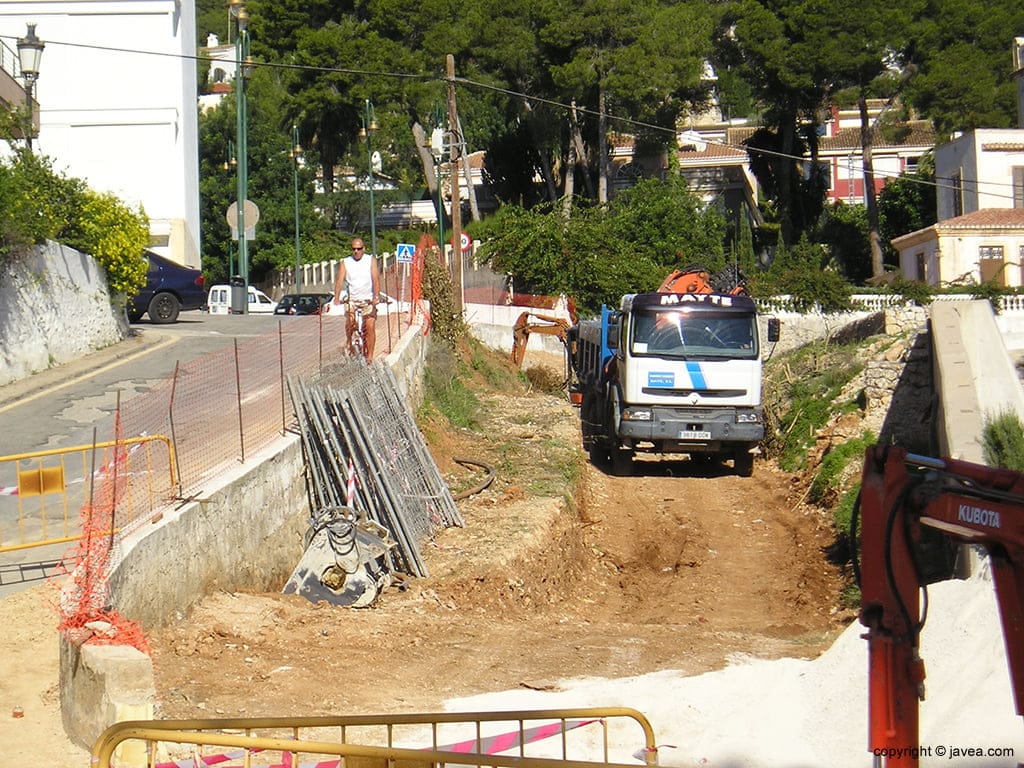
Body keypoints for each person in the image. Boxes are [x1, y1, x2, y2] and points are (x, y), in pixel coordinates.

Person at [333, 237, 381, 359]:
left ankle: (369, 357)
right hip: (352, 299)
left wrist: (376, 296)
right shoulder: (345, 262)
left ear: (363, 249)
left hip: (368, 299)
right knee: (350, 320)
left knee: (370, 326)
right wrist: (337, 298)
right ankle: (349, 341)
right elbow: (339, 280)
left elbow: (375, 279)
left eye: (359, 249)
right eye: (353, 249)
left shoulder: (370, 260)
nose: (356, 251)